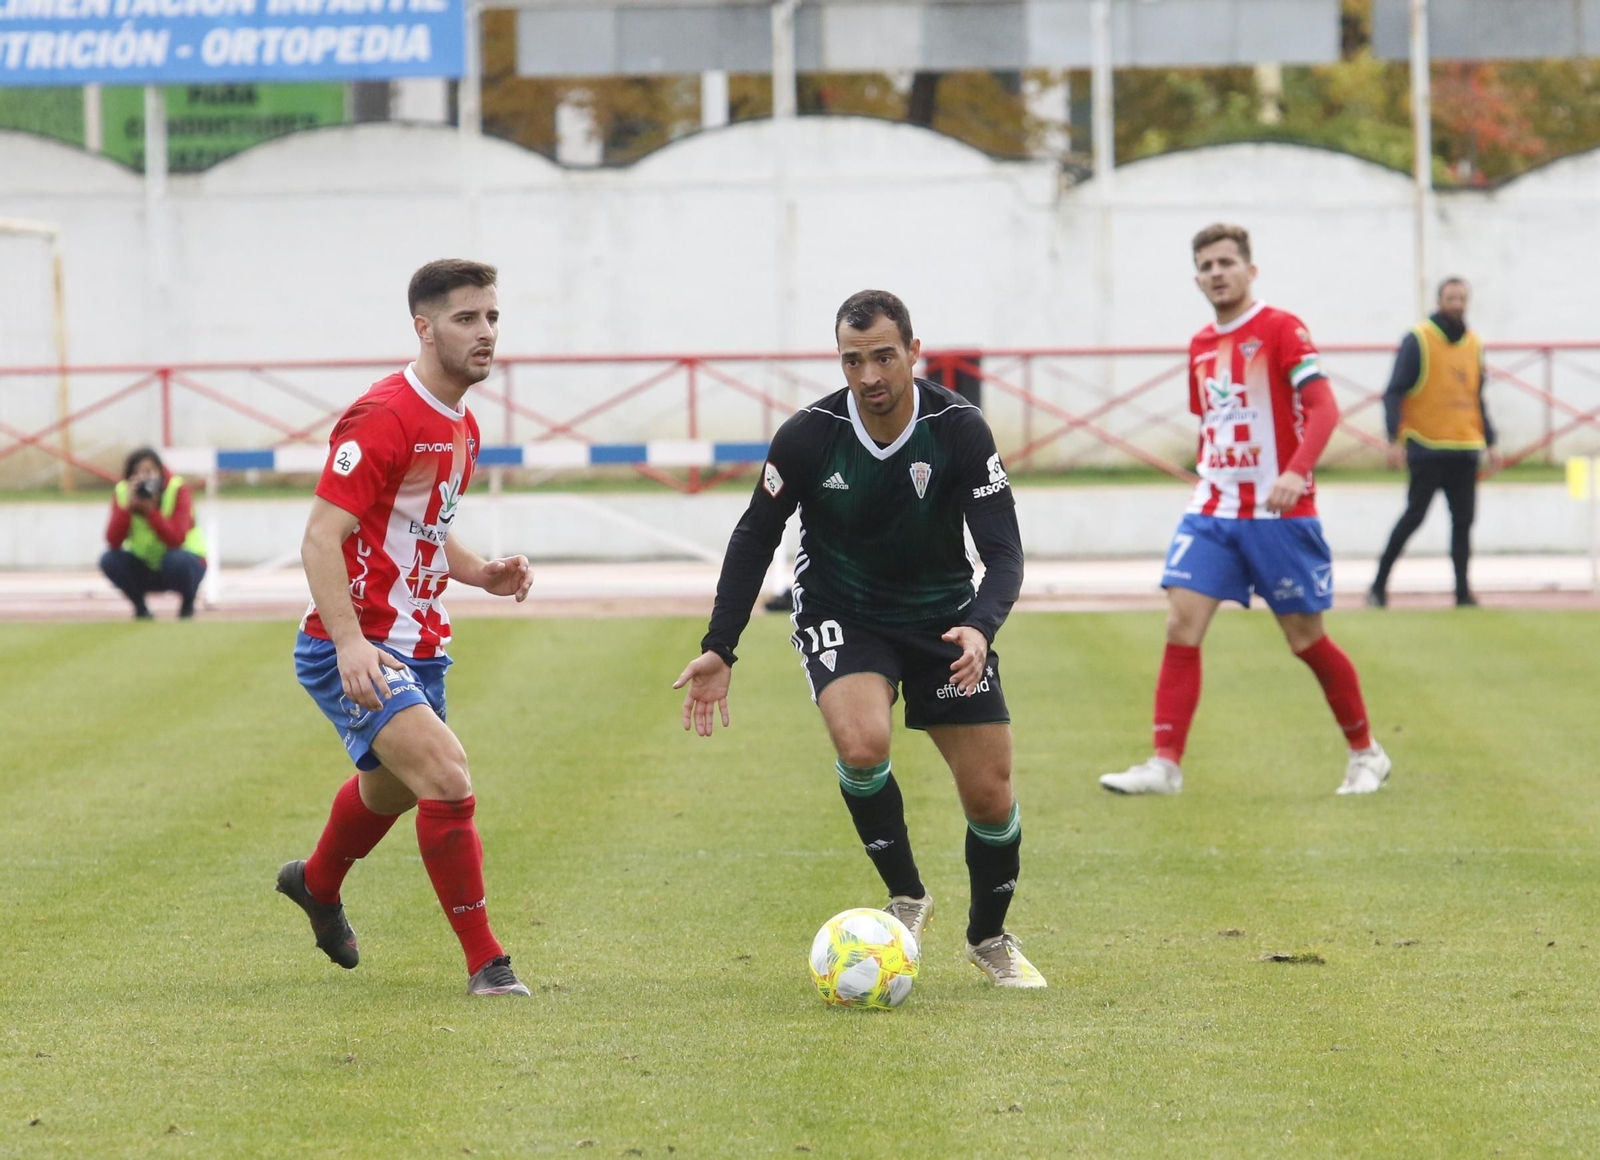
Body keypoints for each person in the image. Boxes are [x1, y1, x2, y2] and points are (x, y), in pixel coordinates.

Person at [674, 290, 1044, 988]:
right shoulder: (809, 436)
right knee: (863, 744)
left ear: (913, 352)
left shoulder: (959, 429)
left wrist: (979, 625)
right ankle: (907, 896)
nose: (869, 375)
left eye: (883, 357)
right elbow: (755, 535)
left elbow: (1005, 554)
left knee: (990, 798)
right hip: (843, 610)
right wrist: (721, 645)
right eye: (853, 360)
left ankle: (988, 937)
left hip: (944, 617)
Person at [276, 259, 535, 998]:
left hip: (420, 643)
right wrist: (350, 643)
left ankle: (315, 883)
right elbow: (320, 538)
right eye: (465, 318)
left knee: (392, 791)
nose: (485, 333)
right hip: (354, 644)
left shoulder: (462, 424)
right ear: (424, 327)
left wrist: (480, 572)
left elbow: (422, 524)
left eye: (492, 317)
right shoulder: (384, 415)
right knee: (447, 776)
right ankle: (488, 963)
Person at [1100, 224, 1391, 797]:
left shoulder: (1281, 328)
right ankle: (1165, 765)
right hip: (1213, 509)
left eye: (1226, 262)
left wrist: (1294, 471)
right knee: (1181, 623)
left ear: (1250, 270)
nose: (1216, 273)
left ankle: (1367, 753)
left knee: (1305, 639)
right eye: (1206, 265)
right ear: (1197, 278)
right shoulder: (1200, 345)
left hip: (1280, 515)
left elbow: (1324, 408)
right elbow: (1211, 421)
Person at [1367, 278, 1502, 608]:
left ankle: (1462, 593)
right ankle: (1379, 585)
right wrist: (1394, 438)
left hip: (1465, 445)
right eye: (1450, 298)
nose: (1456, 304)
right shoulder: (1418, 339)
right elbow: (1393, 392)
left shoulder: (1474, 343)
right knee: (1414, 517)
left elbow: (1476, 397)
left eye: (1461, 298)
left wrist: (1491, 441)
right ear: (1439, 301)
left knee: (1463, 523)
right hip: (1426, 445)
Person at [100, 447, 208, 619]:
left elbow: (176, 539)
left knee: (177, 561)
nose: (144, 479)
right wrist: (127, 509)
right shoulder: (123, 492)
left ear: (160, 472)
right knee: (109, 559)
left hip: (181, 561)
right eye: (137, 473)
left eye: (149, 472)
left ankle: (188, 603)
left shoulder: (177, 489)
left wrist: (151, 512)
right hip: (144, 563)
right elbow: (113, 541)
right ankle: (140, 608)